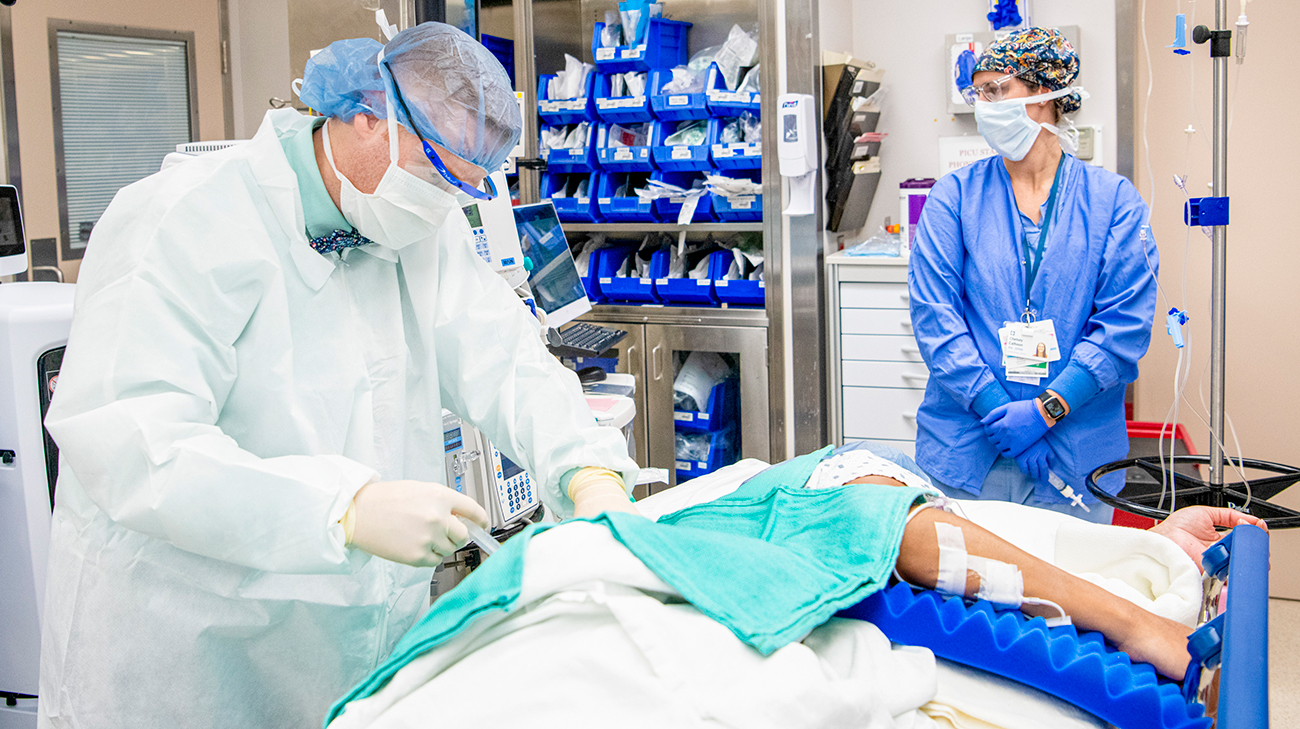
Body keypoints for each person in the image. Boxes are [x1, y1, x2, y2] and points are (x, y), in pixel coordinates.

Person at [37, 23, 638, 729]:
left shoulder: (411, 223)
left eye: (467, 186)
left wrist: (585, 467)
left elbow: (504, 357)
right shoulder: (183, 220)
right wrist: (342, 509)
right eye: (441, 172)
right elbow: (133, 446)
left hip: (344, 653)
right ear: (365, 118)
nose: (447, 200)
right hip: (187, 658)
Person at [909, 28, 1159, 523]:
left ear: (1047, 95)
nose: (983, 106)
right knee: (965, 593)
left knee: (1067, 596)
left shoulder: (1112, 202)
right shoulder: (954, 198)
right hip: (968, 446)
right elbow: (936, 321)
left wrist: (1044, 412)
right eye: (977, 92)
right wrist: (999, 411)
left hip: (1075, 456)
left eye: (997, 90)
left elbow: (1123, 327)